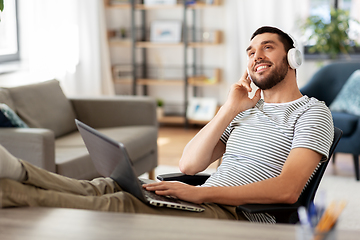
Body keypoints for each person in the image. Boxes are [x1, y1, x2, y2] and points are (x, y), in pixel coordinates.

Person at [0, 26, 333, 223]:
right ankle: (18, 172)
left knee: (119, 204)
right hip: (203, 198)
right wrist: (229, 108)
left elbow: (288, 190)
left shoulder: (312, 114)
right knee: (106, 185)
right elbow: (190, 163)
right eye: (250, 51)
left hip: (237, 214)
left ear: (292, 59)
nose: (256, 55)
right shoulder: (243, 111)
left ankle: (9, 189)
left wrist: (200, 194)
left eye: (267, 47)